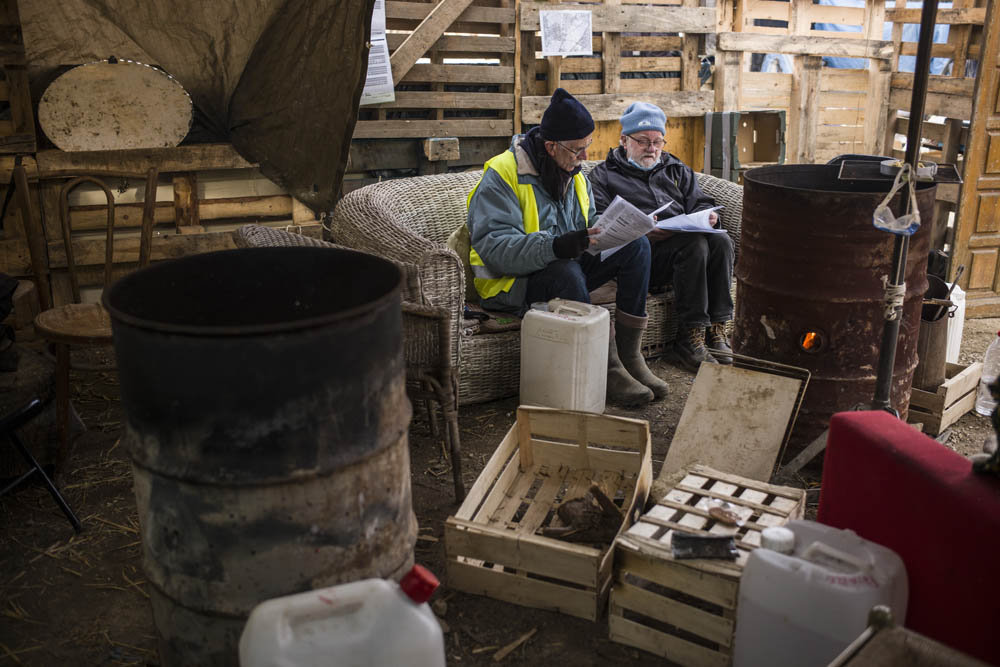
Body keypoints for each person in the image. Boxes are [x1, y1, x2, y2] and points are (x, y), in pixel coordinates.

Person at [465, 88, 668, 405]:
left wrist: (619, 227)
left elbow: (587, 222)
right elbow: (496, 249)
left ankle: (630, 357)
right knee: (567, 272)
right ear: (550, 146)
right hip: (511, 284)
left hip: (563, 266)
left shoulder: (574, 172)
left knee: (637, 246)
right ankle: (607, 367)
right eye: (578, 150)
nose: (585, 157)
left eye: (587, 146)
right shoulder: (502, 175)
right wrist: (556, 245)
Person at [589, 102, 735, 372]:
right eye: (643, 141)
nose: (652, 148)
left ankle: (716, 328)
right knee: (694, 245)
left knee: (720, 240)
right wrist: (641, 230)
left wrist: (708, 216)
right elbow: (598, 222)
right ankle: (688, 337)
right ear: (624, 140)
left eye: (657, 142)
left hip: (685, 252)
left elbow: (701, 202)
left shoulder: (675, 169)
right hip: (642, 260)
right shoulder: (604, 175)